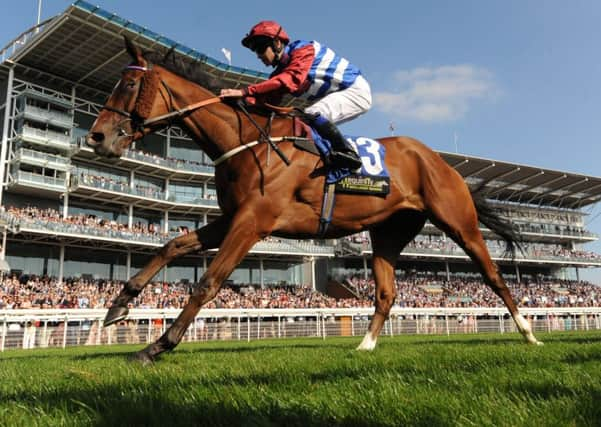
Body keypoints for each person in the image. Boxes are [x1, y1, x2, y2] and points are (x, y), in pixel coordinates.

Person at [220, 20, 372, 170]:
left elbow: (292, 78)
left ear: (277, 43)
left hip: (354, 91)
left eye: (260, 48)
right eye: (254, 51)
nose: (258, 56)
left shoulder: (303, 49)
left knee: (312, 114)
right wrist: (239, 101)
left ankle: (349, 154)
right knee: (299, 123)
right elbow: (264, 101)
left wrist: (244, 91)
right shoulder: (279, 73)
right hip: (337, 94)